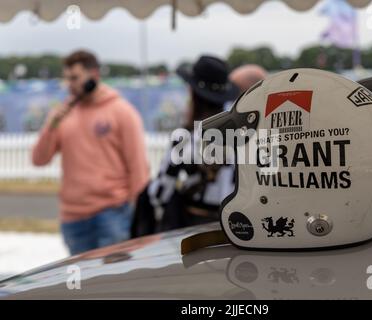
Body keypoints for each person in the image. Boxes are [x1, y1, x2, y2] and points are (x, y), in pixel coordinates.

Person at [32, 50, 149, 255]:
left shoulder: (121, 111)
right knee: (81, 286)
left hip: (112, 214)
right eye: (67, 79)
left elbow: (137, 166)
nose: (70, 84)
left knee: (110, 282)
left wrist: (139, 216)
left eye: (75, 78)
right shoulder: (63, 114)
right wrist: (51, 125)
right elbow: (39, 159)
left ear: (93, 75)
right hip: (73, 218)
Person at [148, 55, 239, 232]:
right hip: (237, 228)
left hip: (195, 228)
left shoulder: (185, 138)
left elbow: (160, 193)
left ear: (193, 93)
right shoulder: (246, 136)